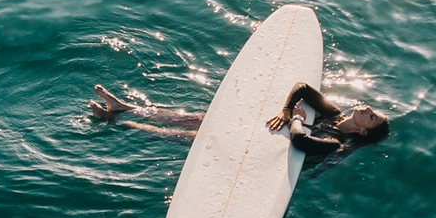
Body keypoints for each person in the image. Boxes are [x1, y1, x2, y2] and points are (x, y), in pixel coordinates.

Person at [87, 83, 390, 171]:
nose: (367, 108)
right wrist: (287, 111)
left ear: (363, 132)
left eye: (372, 116)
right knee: (198, 118)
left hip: (262, 152)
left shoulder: (338, 144)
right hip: (269, 130)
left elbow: (300, 142)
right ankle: (127, 108)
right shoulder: (334, 114)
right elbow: (302, 88)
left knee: (187, 136)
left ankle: (119, 122)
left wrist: (297, 118)